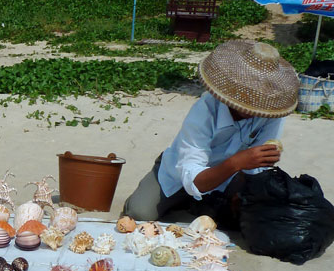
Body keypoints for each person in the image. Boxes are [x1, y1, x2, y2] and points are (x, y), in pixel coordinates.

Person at [121, 40, 299, 222]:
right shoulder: (205, 110)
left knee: (250, 219)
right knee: (140, 214)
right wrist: (235, 163)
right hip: (181, 172)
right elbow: (192, 175)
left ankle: (196, 205)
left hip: (229, 179)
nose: (254, 106)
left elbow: (257, 168)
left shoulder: (271, 111)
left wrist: (248, 182)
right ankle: (181, 199)